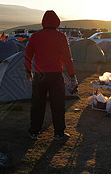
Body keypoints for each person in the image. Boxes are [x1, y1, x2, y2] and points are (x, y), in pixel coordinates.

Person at [24, 10, 77, 141]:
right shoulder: (61, 37)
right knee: (58, 105)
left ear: (43, 22)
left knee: (37, 105)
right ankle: (59, 133)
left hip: (40, 76)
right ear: (57, 22)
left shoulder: (35, 37)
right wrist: (72, 75)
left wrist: (28, 71)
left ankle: (34, 132)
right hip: (55, 76)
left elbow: (28, 56)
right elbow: (67, 58)